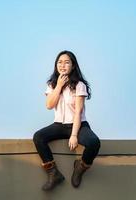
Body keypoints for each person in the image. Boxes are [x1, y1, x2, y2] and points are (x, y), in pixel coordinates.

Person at [33, 50, 101, 191]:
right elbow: (49, 105)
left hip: (79, 125)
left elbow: (78, 112)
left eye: (67, 62)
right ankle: (53, 173)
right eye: (60, 62)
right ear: (56, 65)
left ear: (73, 66)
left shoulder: (79, 85)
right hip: (59, 125)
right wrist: (58, 86)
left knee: (94, 143)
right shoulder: (52, 84)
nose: (62, 65)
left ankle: (80, 167)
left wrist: (74, 135)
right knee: (38, 137)